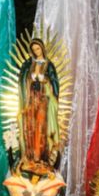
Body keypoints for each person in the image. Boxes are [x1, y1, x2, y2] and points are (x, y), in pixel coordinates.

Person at [18, 38, 60, 171]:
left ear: (42, 48)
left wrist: (45, 81)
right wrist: (29, 80)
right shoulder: (29, 64)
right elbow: (23, 78)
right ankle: (30, 157)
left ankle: (41, 157)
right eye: (34, 49)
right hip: (31, 101)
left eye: (38, 48)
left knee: (41, 127)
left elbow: (54, 83)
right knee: (30, 126)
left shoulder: (49, 65)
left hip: (43, 101)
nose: (36, 51)